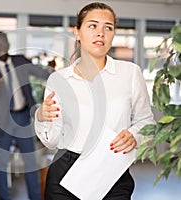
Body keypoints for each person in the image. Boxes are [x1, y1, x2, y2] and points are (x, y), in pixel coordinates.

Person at [34, 2, 155, 200]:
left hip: (112, 171)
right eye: (92, 26)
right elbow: (52, 142)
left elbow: (146, 122)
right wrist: (41, 116)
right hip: (66, 171)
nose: (101, 33)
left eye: (108, 27)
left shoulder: (130, 73)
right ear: (77, 32)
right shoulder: (59, 80)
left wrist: (134, 135)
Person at [0, 31, 54, 200]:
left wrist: (50, 67)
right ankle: (5, 198)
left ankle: (35, 198)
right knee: (2, 164)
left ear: (8, 44)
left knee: (30, 163)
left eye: (3, 42)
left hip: (22, 118)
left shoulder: (20, 61)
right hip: (2, 121)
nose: (1, 46)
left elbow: (42, 74)